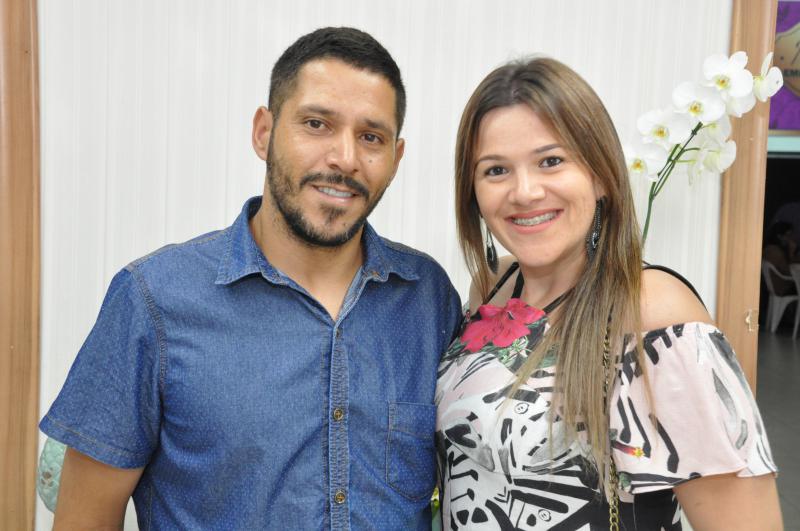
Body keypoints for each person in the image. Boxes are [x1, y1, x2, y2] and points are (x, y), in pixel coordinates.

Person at [41, 27, 462, 530]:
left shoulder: (427, 297)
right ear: (264, 132)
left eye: (371, 137)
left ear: (395, 158)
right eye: (317, 124)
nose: (345, 159)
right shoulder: (154, 300)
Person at [435, 58, 782, 530]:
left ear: (600, 175)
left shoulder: (654, 312)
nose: (524, 191)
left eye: (551, 161)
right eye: (496, 170)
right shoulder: (491, 288)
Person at [763, 220, 798, 295]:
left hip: (774, 286)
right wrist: (792, 252)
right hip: (782, 287)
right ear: (779, 236)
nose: (790, 238)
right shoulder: (775, 251)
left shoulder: (768, 248)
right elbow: (790, 272)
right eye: (788, 235)